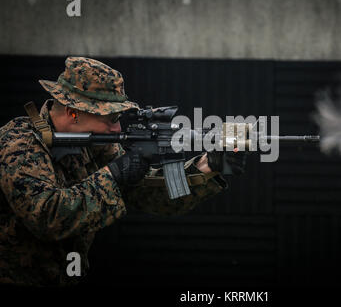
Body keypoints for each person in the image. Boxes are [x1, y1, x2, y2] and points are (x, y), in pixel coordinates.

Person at [0, 57, 246, 286]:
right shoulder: (20, 143)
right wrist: (114, 174)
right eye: (111, 118)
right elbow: (47, 217)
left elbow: (147, 197)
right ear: (73, 112)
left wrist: (206, 166)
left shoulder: (95, 144)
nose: (116, 127)